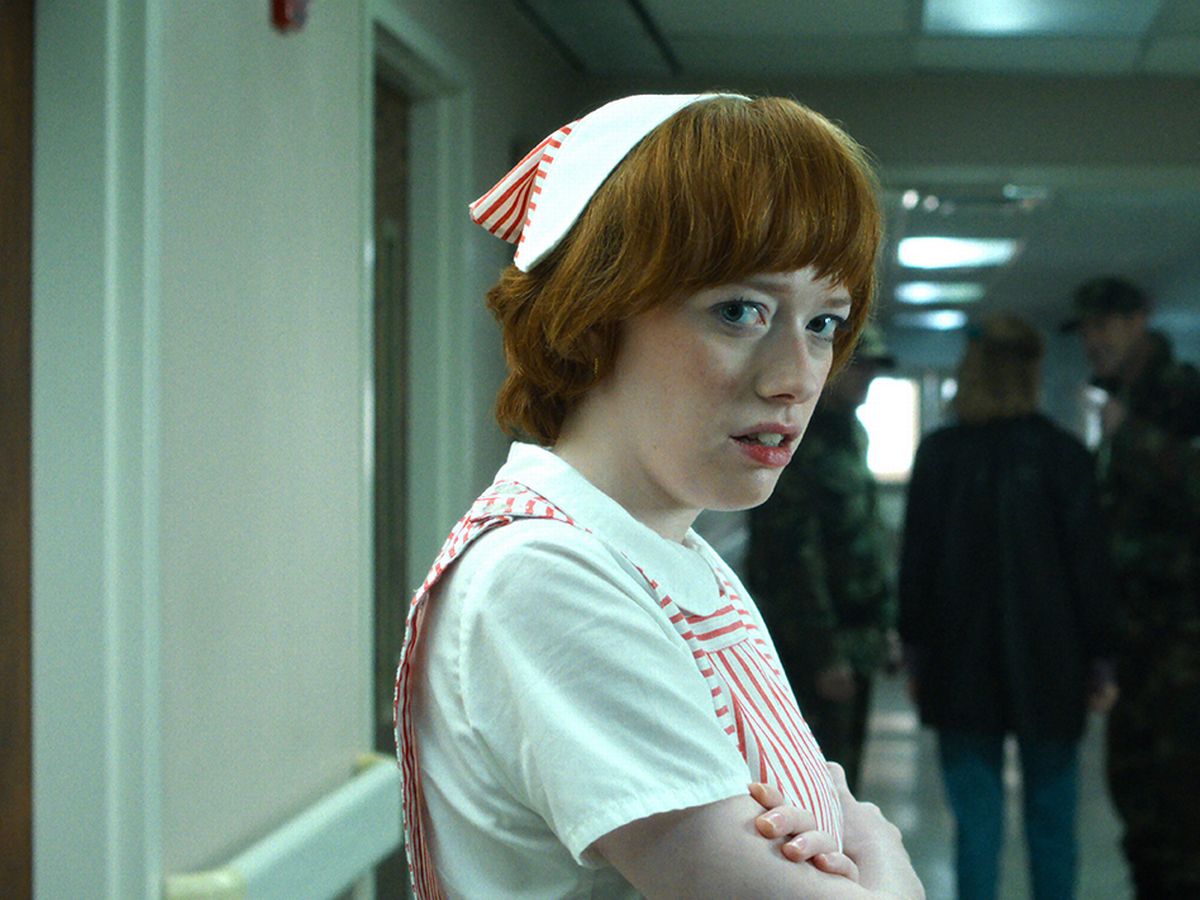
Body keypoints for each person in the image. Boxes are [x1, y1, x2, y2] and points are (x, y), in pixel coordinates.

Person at [393, 93, 924, 899]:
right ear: (594, 314)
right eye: (740, 311)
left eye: (824, 324)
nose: (796, 378)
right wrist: (884, 853)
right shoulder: (546, 575)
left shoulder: (676, 555)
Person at [898, 315, 1118, 900]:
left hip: (958, 662)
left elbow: (916, 567)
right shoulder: (1064, 456)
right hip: (1054, 663)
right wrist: (1101, 659)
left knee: (977, 826)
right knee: (1052, 821)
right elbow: (1090, 570)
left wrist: (914, 655)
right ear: (1033, 373)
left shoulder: (940, 455)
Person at [1061, 277, 1200, 898]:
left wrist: (1133, 436)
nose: (1094, 341)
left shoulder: (1183, 395)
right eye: (1087, 329)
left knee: (1183, 807)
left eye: (1104, 325)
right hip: (1137, 639)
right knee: (1140, 802)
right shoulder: (1120, 400)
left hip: (1185, 640)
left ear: (1138, 320)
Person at [745, 324, 897, 793]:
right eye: (859, 367)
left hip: (857, 632)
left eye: (873, 369)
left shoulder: (850, 433)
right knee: (814, 778)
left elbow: (866, 535)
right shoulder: (797, 441)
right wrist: (823, 653)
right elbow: (793, 557)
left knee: (846, 773)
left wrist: (885, 624)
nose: (867, 378)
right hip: (813, 642)